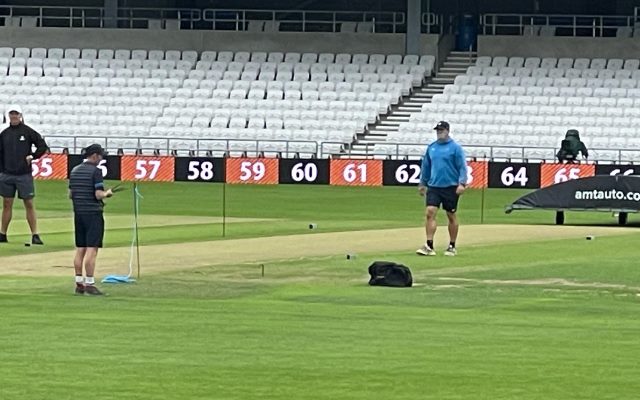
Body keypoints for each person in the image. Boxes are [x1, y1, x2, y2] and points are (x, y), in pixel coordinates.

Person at [416, 121, 468, 257]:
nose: (439, 132)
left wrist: (462, 183)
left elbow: (462, 166)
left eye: (441, 130)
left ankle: (452, 245)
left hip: (450, 186)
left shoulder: (455, 148)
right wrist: (423, 183)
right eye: (437, 130)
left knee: (450, 215)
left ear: (447, 130)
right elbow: (426, 166)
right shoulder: (432, 148)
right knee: (430, 212)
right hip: (434, 185)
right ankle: (429, 244)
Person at [68, 144, 114, 296]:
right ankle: (90, 283)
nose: (101, 159)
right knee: (92, 248)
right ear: (94, 156)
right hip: (93, 213)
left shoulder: (74, 170)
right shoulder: (96, 171)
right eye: (101, 156)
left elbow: (70, 194)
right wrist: (107, 194)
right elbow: (97, 194)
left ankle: (78, 282)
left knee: (80, 248)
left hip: (78, 212)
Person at [0, 105, 49, 244]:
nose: (14, 116)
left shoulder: (27, 132)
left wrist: (33, 156)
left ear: (20, 115)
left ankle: (35, 234)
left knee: (29, 203)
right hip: (7, 174)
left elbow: (42, 146)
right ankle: (2, 233)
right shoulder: (4, 133)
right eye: (12, 114)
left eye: (16, 114)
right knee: (7, 204)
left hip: (24, 174)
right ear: (8, 116)